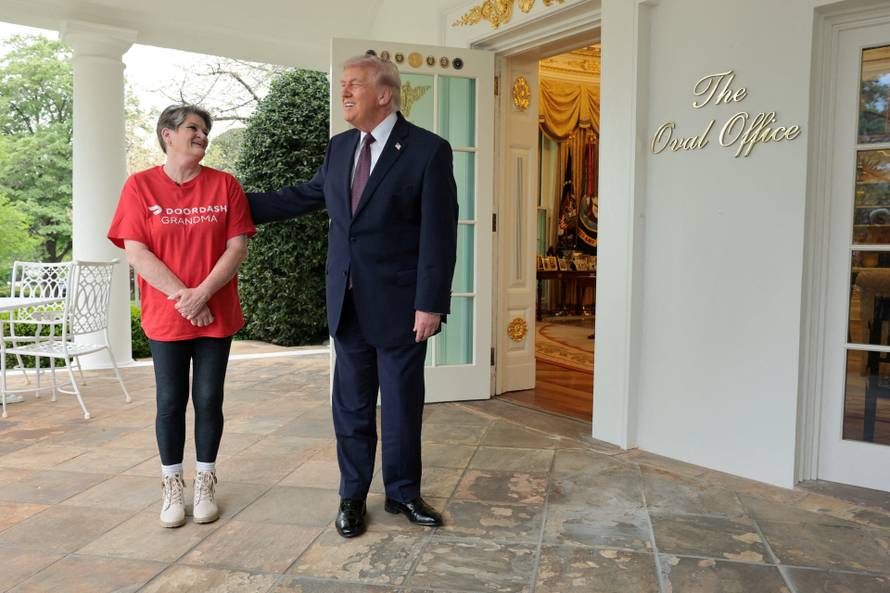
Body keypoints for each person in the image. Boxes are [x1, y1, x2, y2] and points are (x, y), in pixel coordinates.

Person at [247, 54, 458, 538]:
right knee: (351, 406)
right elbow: (301, 197)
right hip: (347, 301)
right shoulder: (339, 148)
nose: (344, 92)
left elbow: (439, 236)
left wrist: (431, 303)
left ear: (384, 94)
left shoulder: (428, 151)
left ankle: (403, 493)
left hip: (403, 306)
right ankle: (352, 496)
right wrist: (227, 201)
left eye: (354, 85)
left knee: (402, 406)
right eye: (342, 84)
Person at [107, 104, 256, 528]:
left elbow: (237, 247)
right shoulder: (140, 187)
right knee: (170, 401)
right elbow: (136, 251)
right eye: (194, 128)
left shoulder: (225, 185)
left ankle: (205, 479)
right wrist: (184, 298)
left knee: (209, 398)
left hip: (216, 313)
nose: (203, 135)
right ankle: (172, 485)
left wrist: (203, 294)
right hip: (168, 315)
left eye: (206, 130)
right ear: (167, 135)